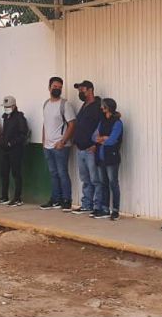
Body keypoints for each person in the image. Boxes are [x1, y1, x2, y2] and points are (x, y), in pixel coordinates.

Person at [39, 77, 76, 211]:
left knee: (62, 173)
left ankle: (66, 200)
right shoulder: (46, 104)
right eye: (55, 86)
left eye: (60, 87)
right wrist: (43, 141)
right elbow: (45, 123)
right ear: (49, 88)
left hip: (60, 146)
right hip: (48, 146)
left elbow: (72, 124)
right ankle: (55, 199)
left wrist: (63, 141)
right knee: (53, 173)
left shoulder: (65, 105)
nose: (57, 89)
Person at [71, 80, 103, 215]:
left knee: (96, 179)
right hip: (80, 149)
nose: (80, 93)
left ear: (90, 90)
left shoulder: (98, 106)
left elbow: (102, 126)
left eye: (82, 90)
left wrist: (96, 144)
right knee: (85, 179)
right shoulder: (84, 105)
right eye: (79, 90)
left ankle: (98, 207)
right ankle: (86, 204)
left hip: (91, 149)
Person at [0, 96, 29, 207]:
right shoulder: (6, 117)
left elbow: (23, 134)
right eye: (5, 107)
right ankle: (4, 196)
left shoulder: (19, 117)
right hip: (5, 150)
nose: (6, 108)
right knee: (4, 173)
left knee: (16, 174)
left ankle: (17, 198)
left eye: (8, 106)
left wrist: (12, 143)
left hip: (16, 150)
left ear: (14, 106)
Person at [93, 98, 123, 221]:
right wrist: (102, 138)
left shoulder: (117, 122)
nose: (101, 109)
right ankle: (105, 208)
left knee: (113, 183)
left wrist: (103, 139)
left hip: (111, 157)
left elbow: (113, 140)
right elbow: (94, 136)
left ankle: (115, 210)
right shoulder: (102, 121)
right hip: (100, 157)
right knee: (103, 183)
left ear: (108, 108)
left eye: (103, 107)